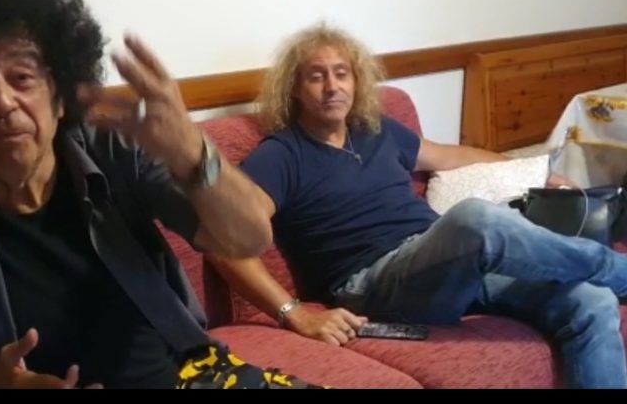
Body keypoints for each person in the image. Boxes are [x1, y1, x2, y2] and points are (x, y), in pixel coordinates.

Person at [0, 0, 316, 389]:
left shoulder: (115, 150)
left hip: (190, 377)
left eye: (22, 78)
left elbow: (248, 238)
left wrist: (193, 153)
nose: (0, 102)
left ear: (60, 95)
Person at [209, 23, 627, 389]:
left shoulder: (375, 130)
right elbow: (223, 242)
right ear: (295, 89)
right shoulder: (281, 155)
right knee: (475, 217)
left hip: (446, 265)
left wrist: (534, 173)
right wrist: (295, 313)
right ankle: (618, 272)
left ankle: (609, 280)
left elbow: (450, 156)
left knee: (591, 303)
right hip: (373, 284)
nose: (332, 86)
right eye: (316, 76)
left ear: (357, 81)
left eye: (342, 73)